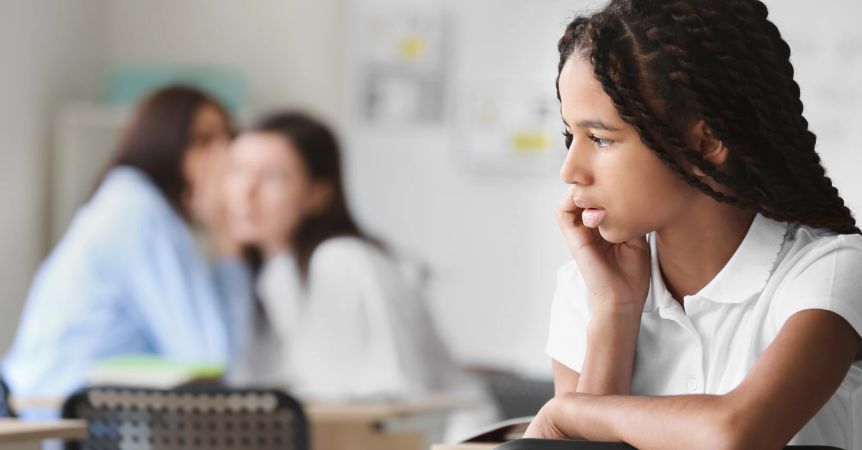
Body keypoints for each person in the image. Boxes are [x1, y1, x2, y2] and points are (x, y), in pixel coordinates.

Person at [522, 1, 862, 449]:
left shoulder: (830, 270)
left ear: (706, 142)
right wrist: (615, 312)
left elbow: (735, 434)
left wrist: (565, 412)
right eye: (571, 136)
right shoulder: (586, 290)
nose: (570, 170)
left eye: (601, 139)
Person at [224, 111, 497, 437]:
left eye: (273, 177)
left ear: (318, 194)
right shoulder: (269, 275)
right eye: (237, 171)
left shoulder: (341, 260)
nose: (246, 192)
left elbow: (387, 406)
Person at [1, 86, 250, 416]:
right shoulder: (139, 212)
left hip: (56, 411)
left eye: (227, 139)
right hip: (51, 419)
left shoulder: (132, 204)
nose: (223, 156)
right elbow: (212, 365)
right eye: (203, 140)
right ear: (162, 141)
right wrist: (225, 229)